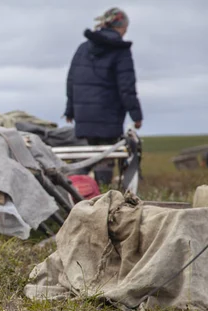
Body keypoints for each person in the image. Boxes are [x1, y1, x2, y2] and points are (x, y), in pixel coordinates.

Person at [64, 7, 143, 185]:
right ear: (120, 27)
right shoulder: (121, 51)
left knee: (85, 158)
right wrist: (136, 115)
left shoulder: (83, 48)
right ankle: (102, 197)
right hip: (109, 116)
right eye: (125, 28)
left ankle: (73, 196)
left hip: (83, 115)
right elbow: (127, 87)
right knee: (105, 158)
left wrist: (70, 110)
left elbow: (71, 80)